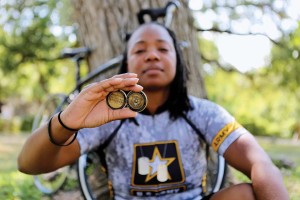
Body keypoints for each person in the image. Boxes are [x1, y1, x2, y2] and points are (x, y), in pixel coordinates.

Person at [18, 22, 289, 200]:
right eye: (140, 50)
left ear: (178, 62)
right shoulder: (106, 116)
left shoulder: (205, 113)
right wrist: (65, 122)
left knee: (246, 195)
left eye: (163, 48)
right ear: (127, 62)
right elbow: (28, 164)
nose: (152, 55)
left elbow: (260, 164)